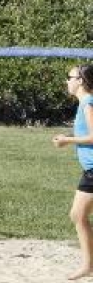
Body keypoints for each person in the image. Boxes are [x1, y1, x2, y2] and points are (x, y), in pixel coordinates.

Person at [53, 65, 93, 280]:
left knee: (78, 215)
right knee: (78, 215)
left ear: (81, 81)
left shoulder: (88, 103)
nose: (67, 81)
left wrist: (68, 140)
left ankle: (88, 265)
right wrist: (68, 136)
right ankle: (88, 264)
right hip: (90, 170)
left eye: (69, 77)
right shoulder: (85, 104)